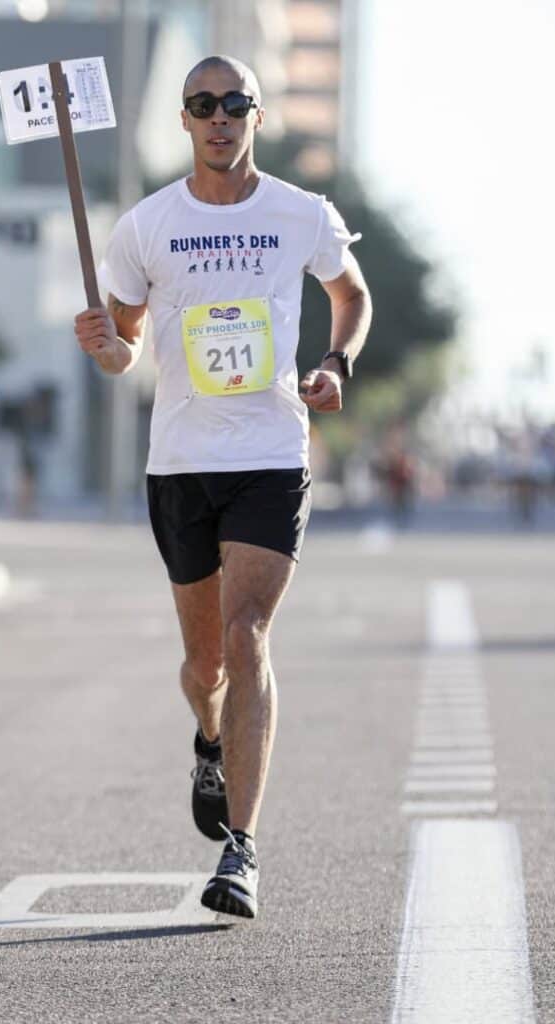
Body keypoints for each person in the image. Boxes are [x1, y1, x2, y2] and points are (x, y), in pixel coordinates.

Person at [73, 56, 372, 919]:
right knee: (204, 663)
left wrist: (333, 361)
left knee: (247, 639)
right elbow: (126, 347)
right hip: (180, 462)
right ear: (184, 119)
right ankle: (209, 739)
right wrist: (104, 348)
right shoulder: (146, 226)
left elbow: (350, 294)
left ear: (255, 116)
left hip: (272, 452)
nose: (218, 117)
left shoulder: (299, 213)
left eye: (233, 103)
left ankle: (241, 851)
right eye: (202, 105)